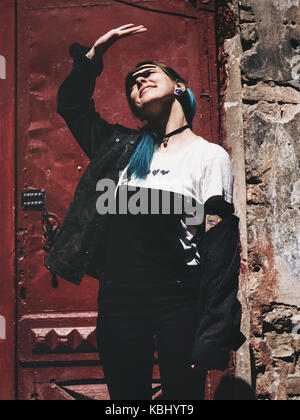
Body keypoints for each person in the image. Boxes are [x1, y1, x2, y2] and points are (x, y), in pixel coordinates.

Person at [46, 24, 244, 400]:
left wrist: (214, 329)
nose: (139, 81)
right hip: (119, 299)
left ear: (180, 88)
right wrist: (94, 55)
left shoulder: (208, 156)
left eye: (149, 73)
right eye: (133, 84)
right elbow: (71, 105)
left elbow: (220, 247)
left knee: (182, 399)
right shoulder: (118, 149)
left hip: (179, 300)